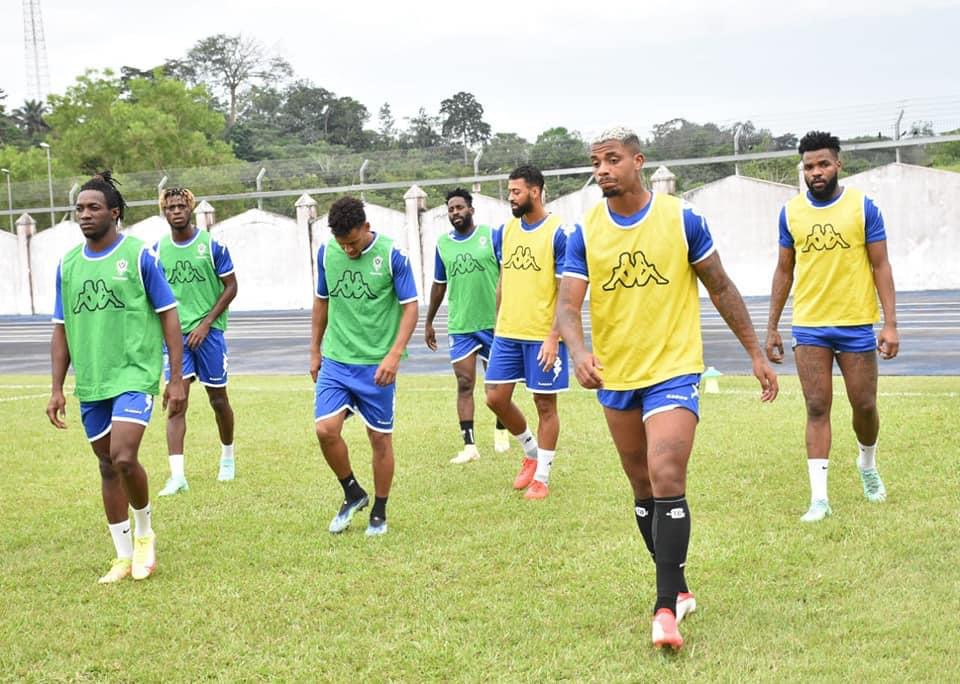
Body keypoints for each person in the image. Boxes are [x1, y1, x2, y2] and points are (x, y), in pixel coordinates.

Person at [556, 127, 778, 650]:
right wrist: (579, 351)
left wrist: (752, 352)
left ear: (638, 161)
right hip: (616, 375)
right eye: (596, 162)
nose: (602, 170)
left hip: (675, 369)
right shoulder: (583, 232)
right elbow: (567, 307)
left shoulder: (682, 219)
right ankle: (676, 587)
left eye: (612, 160)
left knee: (666, 472)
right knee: (641, 489)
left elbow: (719, 286)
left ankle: (663, 613)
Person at [46, 171, 186, 583]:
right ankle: (122, 555)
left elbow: (169, 315)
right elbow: (60, 327)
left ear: (114, 213)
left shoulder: (141, 256)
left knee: (125, 456)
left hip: (134, 374)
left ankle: (144, 534)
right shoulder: (68, 265)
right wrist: (56, 387)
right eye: (80, 209)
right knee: (107, 466)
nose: (84, 215)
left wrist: (175, 377)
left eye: (93, 208)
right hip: (92, 380)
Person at [766, 130, 898, 523]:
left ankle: (867, 464)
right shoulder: (790, 212)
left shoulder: (863, 207)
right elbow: (784, 270)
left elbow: (881, 265)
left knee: (865, 405)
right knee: (817, 405)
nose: (816, 172)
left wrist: (890, 324)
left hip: (856, 323)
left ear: (838, 164)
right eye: (809, 166)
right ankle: (819, 499)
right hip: (809, 326)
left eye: (823, 164)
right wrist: (772, 326)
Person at [310, 196, 418, 536]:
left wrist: (394, 355)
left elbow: (411, 307)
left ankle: (380, 510)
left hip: (376, 366)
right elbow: (321, 302)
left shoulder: (391, 256)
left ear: (366, 228)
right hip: (337, 360)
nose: (348, 251)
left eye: (353, 243)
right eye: (342, 244)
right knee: (325, 430)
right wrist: (314, 350)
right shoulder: (328, 253)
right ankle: (352, 492)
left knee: (379, 439)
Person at [484, 165, 569, 500]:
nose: (511, 198)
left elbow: (567, 292)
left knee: (544, 405)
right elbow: (504, 281)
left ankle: (543, 477)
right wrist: (497, 322)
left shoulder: (560, 233)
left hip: (542, 334)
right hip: (507, 332)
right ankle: (530, 453)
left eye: (516, 192)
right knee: (494, 398)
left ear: (535, 191)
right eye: (509, 192)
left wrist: (553, 336)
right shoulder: (505, 231)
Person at [154, 187, 239, 495]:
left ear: (190, 209)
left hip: (209, 334)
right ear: (164, 212)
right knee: (176, 402)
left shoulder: (212, 245)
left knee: (218, 401)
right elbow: (155, 299)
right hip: (176, 338)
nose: (176, 211)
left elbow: (231, 286)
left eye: (181, 206)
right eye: (170, 207)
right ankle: (177, 477)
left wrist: (206, 323)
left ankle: (227, 457)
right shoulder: (157, 251)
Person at [425, 187, 510, 464]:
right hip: (461, 326)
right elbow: (439, 285)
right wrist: (428, 321)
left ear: (471, 209)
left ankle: (501, 429)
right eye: (450, 209)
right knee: (464, 383)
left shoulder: (491, 236)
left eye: (459, 207)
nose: (455, 213)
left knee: (497, 388)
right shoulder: (443, 245)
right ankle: (470, 446)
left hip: (493, 324)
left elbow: (507, 275)